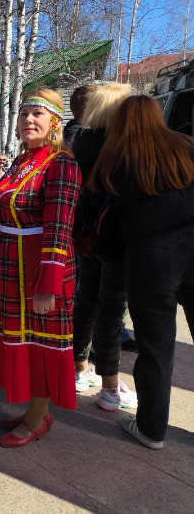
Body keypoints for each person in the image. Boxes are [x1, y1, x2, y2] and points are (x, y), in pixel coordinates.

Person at [88, 95, 194, 449]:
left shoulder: (113, 159)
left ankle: (151, 429)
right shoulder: (186, 146)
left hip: (150, 256)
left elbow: (104, 223)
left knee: (155, 346)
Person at [0, 87, 81, 447]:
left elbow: (59, 228)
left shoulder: (61, 164)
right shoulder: (21, 161)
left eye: (37, 114)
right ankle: (35, 411)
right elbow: (5, 216)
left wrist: (48, 285)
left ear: (54, 122)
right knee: (23, 341)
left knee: (41, 344)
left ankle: (38, 418)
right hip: (12, 265)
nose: (28, 119)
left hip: (41, 266)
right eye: (24, 113)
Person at [71, 83, 137, 411]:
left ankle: (80, 368)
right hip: (117, 241)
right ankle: (111, 387)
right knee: (111, 311)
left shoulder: (81, 142)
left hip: (88, 237)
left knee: (85, 300)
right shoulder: (122, 146)